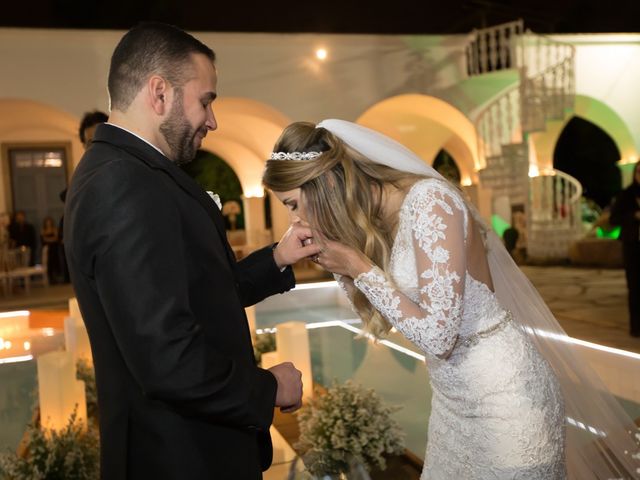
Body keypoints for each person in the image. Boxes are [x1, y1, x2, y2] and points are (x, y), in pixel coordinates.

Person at [262, 119, 640, 479]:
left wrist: (360, 268)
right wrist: (340, 263)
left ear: (324, 185)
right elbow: (395, 316)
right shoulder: (378, 219)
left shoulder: (430, 202)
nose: (294, 221)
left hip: (507, 401)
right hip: (452, 403)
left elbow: (440, 338)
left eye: (293, 204)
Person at [64, 22, 320, 480]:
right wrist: (268, 389)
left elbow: (197, 293)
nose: (213, 120)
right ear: (159, 92)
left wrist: (278, 257)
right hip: (178, 457)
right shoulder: (123, 185)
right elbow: (167, 358)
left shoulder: (132, 173)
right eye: (206, 100)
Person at [610, 161, 640, 337]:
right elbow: (614, 218)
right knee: (635, 287)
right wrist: (633, 216)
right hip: (632, 247)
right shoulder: (627, 195)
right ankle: (636, 327)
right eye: (638, 171)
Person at [40, 216, 61, 283]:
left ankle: (56, 278)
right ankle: (50, 278)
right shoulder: (43, 230)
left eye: (49, 222)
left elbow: (56, 239)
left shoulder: (54, 229)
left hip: (54, 249)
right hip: (47, 249)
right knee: (49, 263)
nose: (48, 223)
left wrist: (48, 239)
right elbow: (43, 239)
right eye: (47, 222)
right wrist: (51, 239)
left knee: (55, 263)